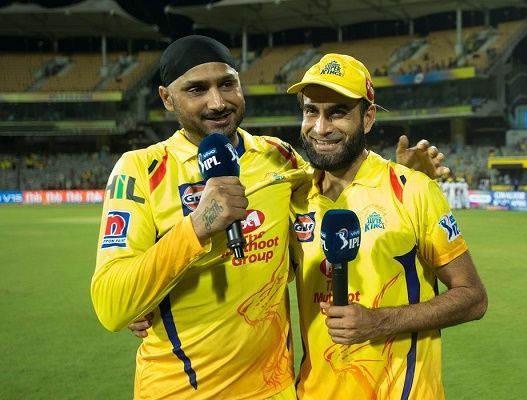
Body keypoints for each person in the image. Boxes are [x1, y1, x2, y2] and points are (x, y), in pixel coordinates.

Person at [93, 36, 447, 400]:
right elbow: (112, 305)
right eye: (197, 89)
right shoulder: (139, 170)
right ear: (167, 98)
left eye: (227, 84)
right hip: (177, 392)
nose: (217, 102)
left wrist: (403, 177)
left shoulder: (280, 159)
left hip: (273, 391)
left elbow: (341, 184)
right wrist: (196, 228)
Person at [285, 54, 487, 399]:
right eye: (310, 111)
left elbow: (472, 298)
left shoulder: (413, 189)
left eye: (337, 112)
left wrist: (377, 322)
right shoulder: (293, 197)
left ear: (368, 118)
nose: (320, 127)